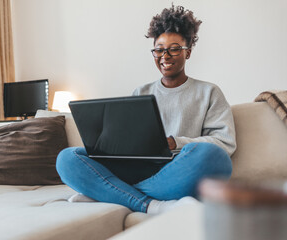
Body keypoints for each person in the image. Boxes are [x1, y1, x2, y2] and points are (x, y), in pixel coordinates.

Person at [56, 5, 236, 214]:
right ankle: (151, 204)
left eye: (174, 48)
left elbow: (224, 144)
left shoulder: (209, 92)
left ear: (188, 52)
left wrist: (176, 142)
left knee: (213, 156)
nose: (165, 56)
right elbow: (125, 141)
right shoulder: (141, 92)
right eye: (159, 49)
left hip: (175, 171)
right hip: (136, 169)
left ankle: (110, 192)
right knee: (67, 158)